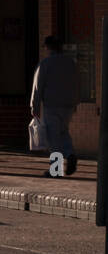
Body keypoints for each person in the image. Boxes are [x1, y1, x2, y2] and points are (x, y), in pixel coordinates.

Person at [30, 35, 80, 176]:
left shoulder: (45, 64)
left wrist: (34, 105)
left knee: (53, 138)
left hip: (52, 105)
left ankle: (56, 170)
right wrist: (76, 102)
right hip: (68, 105)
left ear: (48, 47)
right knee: (63, 132)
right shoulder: (71, 63)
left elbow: (37, 86)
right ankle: (70, 155)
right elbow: (77, 83)